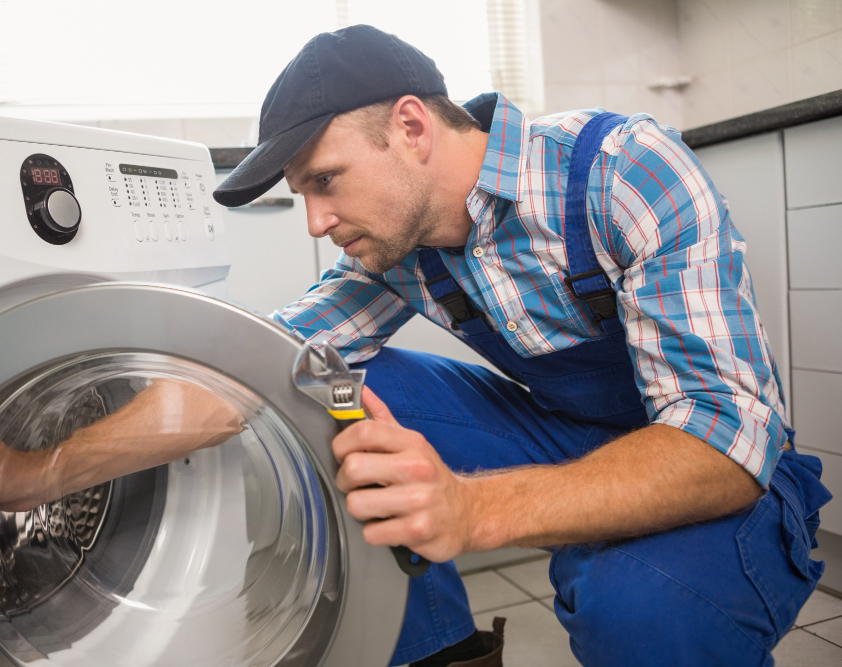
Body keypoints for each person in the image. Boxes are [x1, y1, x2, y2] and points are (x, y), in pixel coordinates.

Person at [212, 24, 833, 667]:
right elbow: (271, 360)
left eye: (326, 180)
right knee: (330, 392)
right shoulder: (398, 242)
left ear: (411, 128)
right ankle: (442, 654)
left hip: (723, 462)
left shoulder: (622, 169)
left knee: (638, 609)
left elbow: (725, 437)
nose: (317, 221)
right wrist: (105, 434)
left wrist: (473, 510)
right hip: (567, 435)